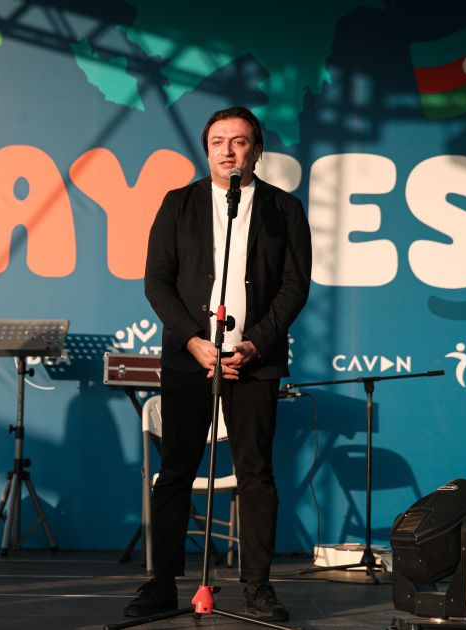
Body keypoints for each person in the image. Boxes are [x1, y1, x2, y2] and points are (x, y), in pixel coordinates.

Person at [124, 106, 311, 621]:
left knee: (256, 473)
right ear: (206, 150)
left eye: (240, 141)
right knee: (176, 471)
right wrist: (193, 341)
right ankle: (162, 582)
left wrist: (254, 344)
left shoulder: (284, 209)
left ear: (257, 150)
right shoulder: (179, 203)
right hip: (191, 360)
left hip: (254, 361)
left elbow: (295, 285)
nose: (228, 151)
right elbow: (157, 282)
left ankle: (258, 586)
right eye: (218, 142)